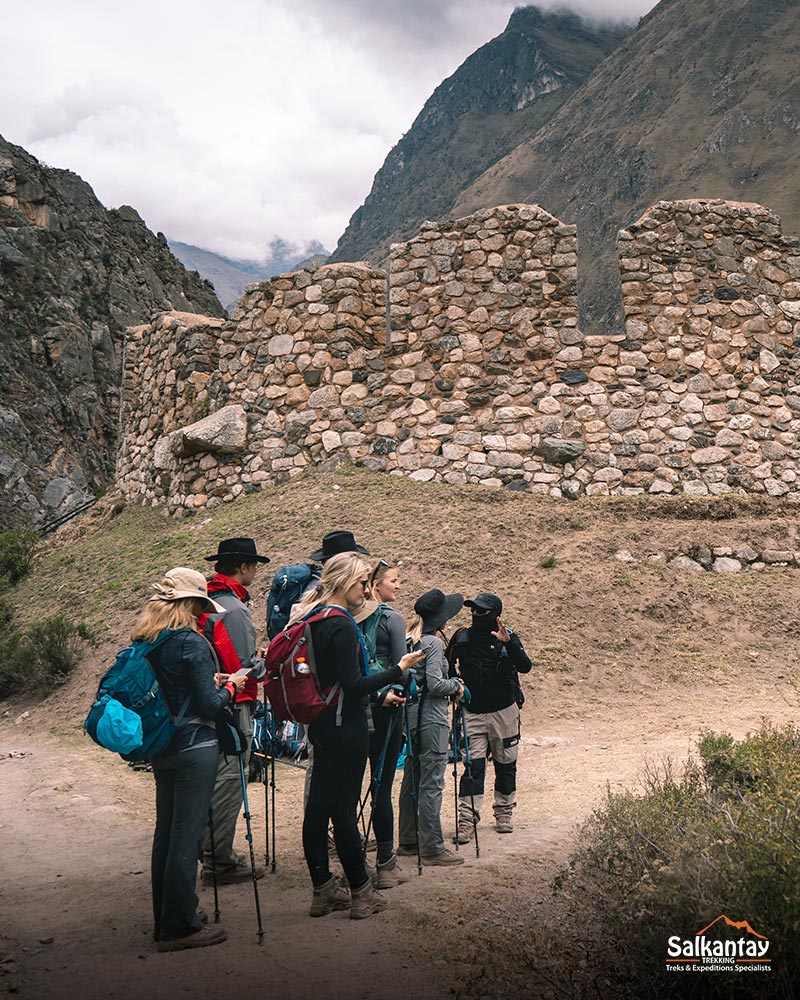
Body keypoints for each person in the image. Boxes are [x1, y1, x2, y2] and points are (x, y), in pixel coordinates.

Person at [289, 551, 422, 918]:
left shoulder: (311, 618)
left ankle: (323, 890)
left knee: (317, 811)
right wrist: (399, 668)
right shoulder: (342, 624)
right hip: (346, 725)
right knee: (344, 811)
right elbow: (355, 684)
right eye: (363, 583)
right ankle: (362, 892)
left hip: (319, 723)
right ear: (347, 582)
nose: (366, 590)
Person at [134, 566, 248, 951]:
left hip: (161, 745)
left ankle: (165, 916)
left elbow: (175, 689)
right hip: (195, 746)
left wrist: (211, 685)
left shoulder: (148, 640)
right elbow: (210, 706)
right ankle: (180, 926)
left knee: (166, 834)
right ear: (192, 604)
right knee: (188, 836)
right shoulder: (192, 642)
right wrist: (233, 687)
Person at [198, 537, 270, 886]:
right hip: (232, 704)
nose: (255, 571)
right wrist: (262, 661)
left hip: (206, 702)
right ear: (243, 567)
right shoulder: (235, 609)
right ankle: (219, 860)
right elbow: (244, 667)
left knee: (213, 778)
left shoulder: (206, 601)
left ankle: (206, 848)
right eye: (254, 565)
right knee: (229, 779)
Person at [446, 592, 532, 839]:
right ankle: (466, 819)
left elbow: (525, 666)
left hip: (504, 711)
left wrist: (509, 643)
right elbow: (447, 666)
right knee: (472, 767)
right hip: (471, 712)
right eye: (473, 610)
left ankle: (504, 812)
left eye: (482, 611)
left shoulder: (508, 636)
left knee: (506, 764)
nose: (476, 615)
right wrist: (455, 685)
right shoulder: (461, 636)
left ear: (495, 614)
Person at [397, 588, 465, 866]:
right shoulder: (433, 644)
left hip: (411, 718)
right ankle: (432, 847)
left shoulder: (409, 640)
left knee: (412, 778)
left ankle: (409, 839)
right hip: (432, 719)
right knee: (432, 783)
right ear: (442, 620)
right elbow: (436, 683)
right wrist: (457, 686)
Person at [353, 559, 410, 889]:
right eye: (394, 580)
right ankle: (386, 864)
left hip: (353, 710)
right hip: (387, 711)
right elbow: (400, 670)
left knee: (348, 792)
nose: (398, 586)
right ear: (376, 584)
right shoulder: (393, 619)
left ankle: (355, 865)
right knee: (382, 788)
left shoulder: (347, 617)